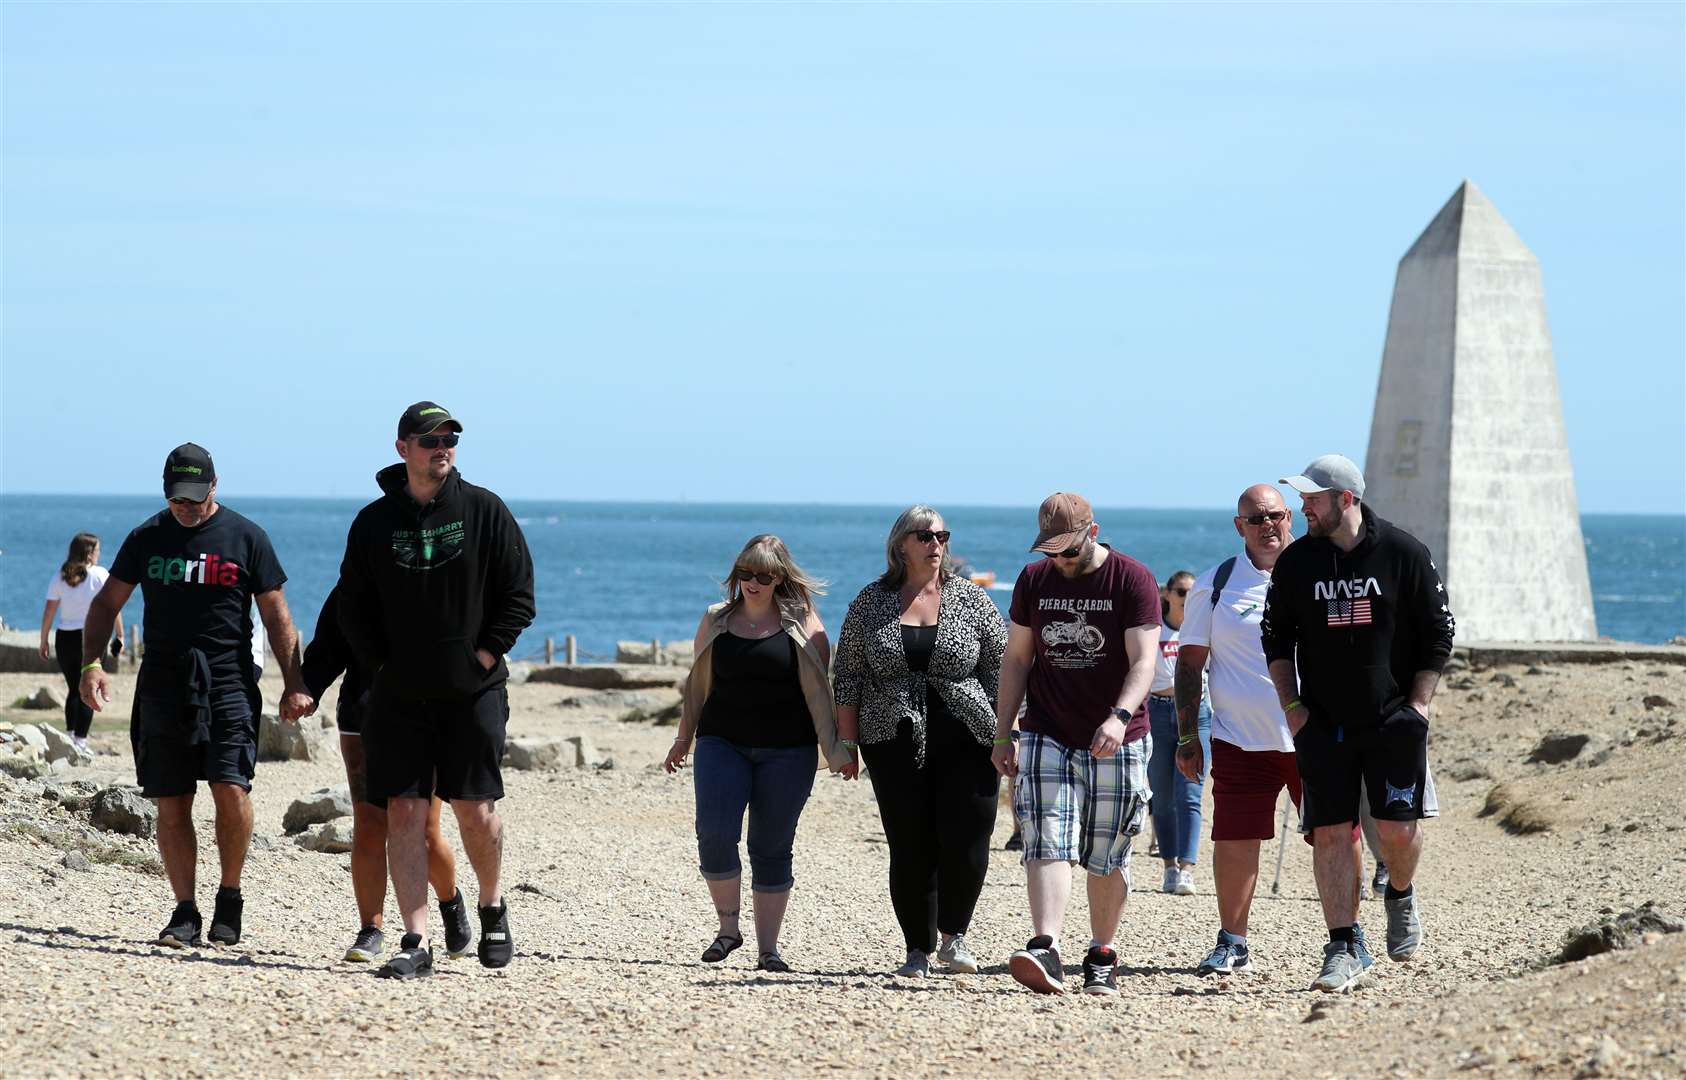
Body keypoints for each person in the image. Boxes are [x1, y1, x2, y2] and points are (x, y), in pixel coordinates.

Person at [78, 443, 312, 947]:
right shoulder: (147, 537)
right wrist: (92, 664)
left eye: (195, 497)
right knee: (172, 798)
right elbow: (105, 605)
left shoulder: (247, 537)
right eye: (177, 498)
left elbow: (277, 616)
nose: (186, 507)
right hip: (163, 681)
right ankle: (184, 909)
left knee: (231, 788)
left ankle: (230, 895)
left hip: (228, 679)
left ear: (215, 485)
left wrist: (294, 683)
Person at [336, 402, 535, 979]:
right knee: (404, 811)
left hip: (472, 692)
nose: (442, 446)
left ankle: (493, 908)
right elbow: (352, 604)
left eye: (450, 437)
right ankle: (415, 939)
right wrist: (378, 666)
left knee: (475, 811)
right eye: (430, 439)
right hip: (398, 696)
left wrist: (483, 655)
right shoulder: (374, 522)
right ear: (403, 448)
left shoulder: (484, 510)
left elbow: (518, 593)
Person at [1261, 454, 1454, 993]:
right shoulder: (1298, 562)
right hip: (1321, 724)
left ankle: (1399, 890)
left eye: (1312, 499)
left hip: (1393, 719)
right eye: (1302, 499)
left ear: (1346, 499)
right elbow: (1275, 638)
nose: (1303, 509)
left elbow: (1440, 632)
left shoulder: (1404, 552)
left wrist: (1418, 707)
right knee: (1331, 831)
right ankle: (1344, 945)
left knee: (1396, 831)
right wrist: (1293, 710)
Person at [992, 493, 1160, 996]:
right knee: (1046, 836)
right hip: (1048, 729)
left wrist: (1119, 715)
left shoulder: (1132, 578)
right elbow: (1017, 659)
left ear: (1094, 530)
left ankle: (1101, 952)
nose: (1059, 561)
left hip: (1119, 734)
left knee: (1107, 852)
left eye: (1068, 550)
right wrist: (1004, 730)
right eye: (1051, 552)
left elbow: (1144, 661)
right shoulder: (1035, 580)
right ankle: (1046, 946)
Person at [665, 535, 853, 973]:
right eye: (746, 573)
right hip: (720, 743)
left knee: (770, 846)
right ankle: (728, 930)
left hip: (789, 751)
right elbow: (697, 688)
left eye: (764, 575)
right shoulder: (714, 620)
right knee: (713, 834)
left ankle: (769, 950)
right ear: (736, 576)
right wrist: (681, 740)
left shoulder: (804, 623)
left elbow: (820, 695)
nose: (753, 582)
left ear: (780, 578)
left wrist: (839, 750)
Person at [833, 506, 1008, 978]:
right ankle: (917, 947)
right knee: (910, 842)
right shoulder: (871, 601)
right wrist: (846, 746)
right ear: (901, 545)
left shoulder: (971, 600)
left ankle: (955, 938)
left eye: (942, 535)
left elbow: (1002, 668)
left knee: (969, 835)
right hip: (891, 736)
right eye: (924, 535)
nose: (936, 543)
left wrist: (1006, 734)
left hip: (969, 733)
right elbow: (847, 674)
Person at [300, 584, 468, 964]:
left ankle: (449, 901)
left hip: (428, 713)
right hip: (362, 712)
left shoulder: (437, 574)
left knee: (423, 828)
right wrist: (308, 688)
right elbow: (329, 643)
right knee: (370, 822)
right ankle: (370, 928)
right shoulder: (357, 578)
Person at [1146, 569, 1208, 896]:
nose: (1187, 598)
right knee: (1163, 797)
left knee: (1191, 795)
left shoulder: (1203, 629)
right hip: (1157, 711)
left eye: (1192, 593)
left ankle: (1187, 869)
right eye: (1181, 592)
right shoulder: (1153, 629)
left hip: (1197, 714)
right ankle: (1169, 866)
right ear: (1167, 594)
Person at [40, 532, 123, 753]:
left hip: (65, 637)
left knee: (73, 689)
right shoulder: (100, 575)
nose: (99, 554)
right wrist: (120, 635)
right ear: (89, 553)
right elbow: (112, 607)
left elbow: (49, 611)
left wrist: (43, 639)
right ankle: (81, 741)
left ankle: (69, 738)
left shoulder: (61, 575)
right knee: (89, 688)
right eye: (97, 550)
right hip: (91, 638)